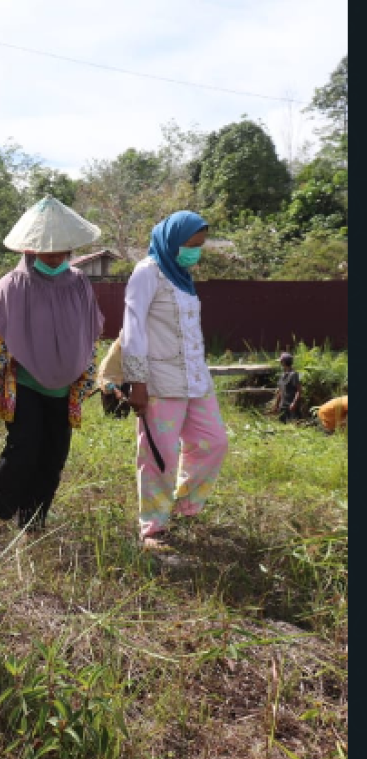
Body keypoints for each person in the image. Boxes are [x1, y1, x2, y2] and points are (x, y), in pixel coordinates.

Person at [0, 196, 104, 535]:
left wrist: (89, 378)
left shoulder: (79, 285)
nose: (56, 257)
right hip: (26, 383)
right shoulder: (11, 287)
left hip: (66, 387)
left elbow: (90, 336)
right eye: (48, 251)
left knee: (53, 456)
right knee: (23, 449)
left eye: (62, 250)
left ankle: (33, 518)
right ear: (30, 250)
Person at [122, 211, 229, 550]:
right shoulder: (147, 273)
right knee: (159, 455)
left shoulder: (182, 276)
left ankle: (184, 504)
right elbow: (133, 326)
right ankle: (152, 527)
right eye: (190, 245)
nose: (194, 253)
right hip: (160, 381)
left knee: (214, 442)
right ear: (171, 241)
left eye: (199, 246)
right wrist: (136, 382)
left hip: (196, 380)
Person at [97, 337, 133, 418]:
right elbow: (104, 377)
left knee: (124, 414)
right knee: (112, 416)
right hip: (110, 391)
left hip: (124, 383)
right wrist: (116, 391)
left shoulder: (127, 355)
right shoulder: (112, 359)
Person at [269, 352, 302, 423]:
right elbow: (280, 392)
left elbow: (299, 390)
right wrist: (276, 405)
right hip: (283, 406)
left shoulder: (293, 375)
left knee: (293, 425)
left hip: (291, 406)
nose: (280, 364)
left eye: (281, 362)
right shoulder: (282, 375)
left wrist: (294, 403)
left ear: (283, 362)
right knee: (282, 425)